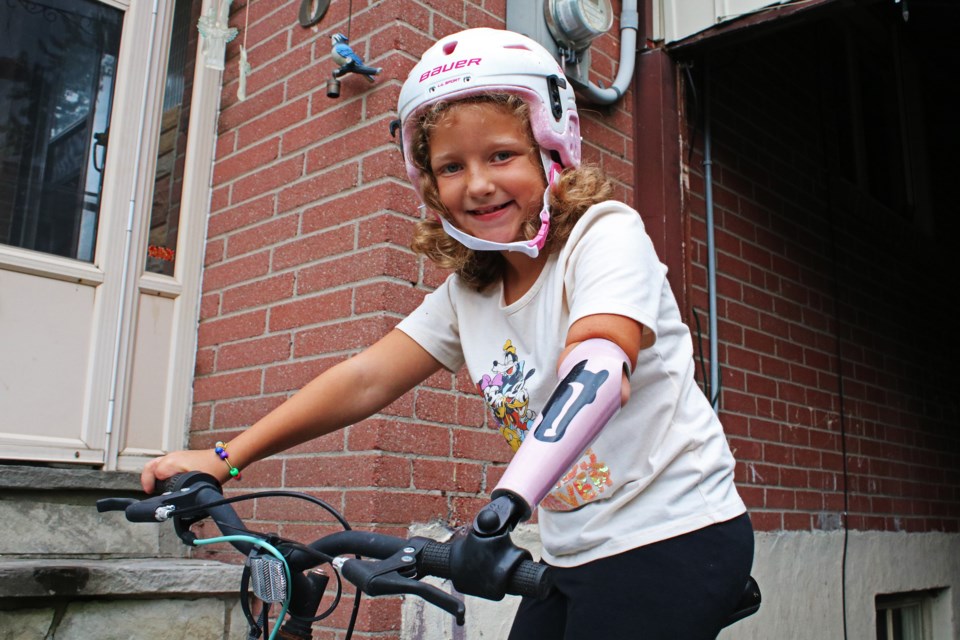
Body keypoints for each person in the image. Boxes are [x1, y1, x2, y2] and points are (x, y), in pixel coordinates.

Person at [142, 27, 753, 639]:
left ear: (550, 151)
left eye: (502, 155)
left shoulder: (603, 237)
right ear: (430, 186)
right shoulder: (470, 293)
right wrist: (223, 460)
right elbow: (365, 378)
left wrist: (502, 508)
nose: (478, 183)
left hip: (677, 533)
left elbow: (597, 368)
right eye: (451, 167)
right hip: (575, 552)